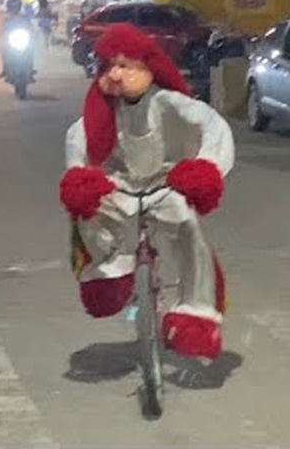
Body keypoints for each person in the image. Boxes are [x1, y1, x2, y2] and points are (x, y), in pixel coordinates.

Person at [59, 23, 235, 359]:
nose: (116, 74)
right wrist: (81, 180)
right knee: (87, 214)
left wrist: (205, 167)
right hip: (120, 186)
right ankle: (112, 271)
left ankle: (195, 314)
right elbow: (77, 143)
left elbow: (210, 125)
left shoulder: (168, 103)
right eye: (109, 66)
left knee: (189, 231)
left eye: (124, 65)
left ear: (146, 66)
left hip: (164, 185)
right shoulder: (99, 112)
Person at [0, 0, 34, 80]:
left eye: (16, 6)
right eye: (13, 6)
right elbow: (1, 30)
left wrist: (32, 33)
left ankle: (30, 70)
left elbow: (31, 28)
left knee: (31, 50)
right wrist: (1, 34)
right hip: (11, 41)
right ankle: (5, 69)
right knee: (4, 49)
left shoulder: (24, 18)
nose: (14, 8)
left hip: (23, 39)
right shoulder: (7, 19)